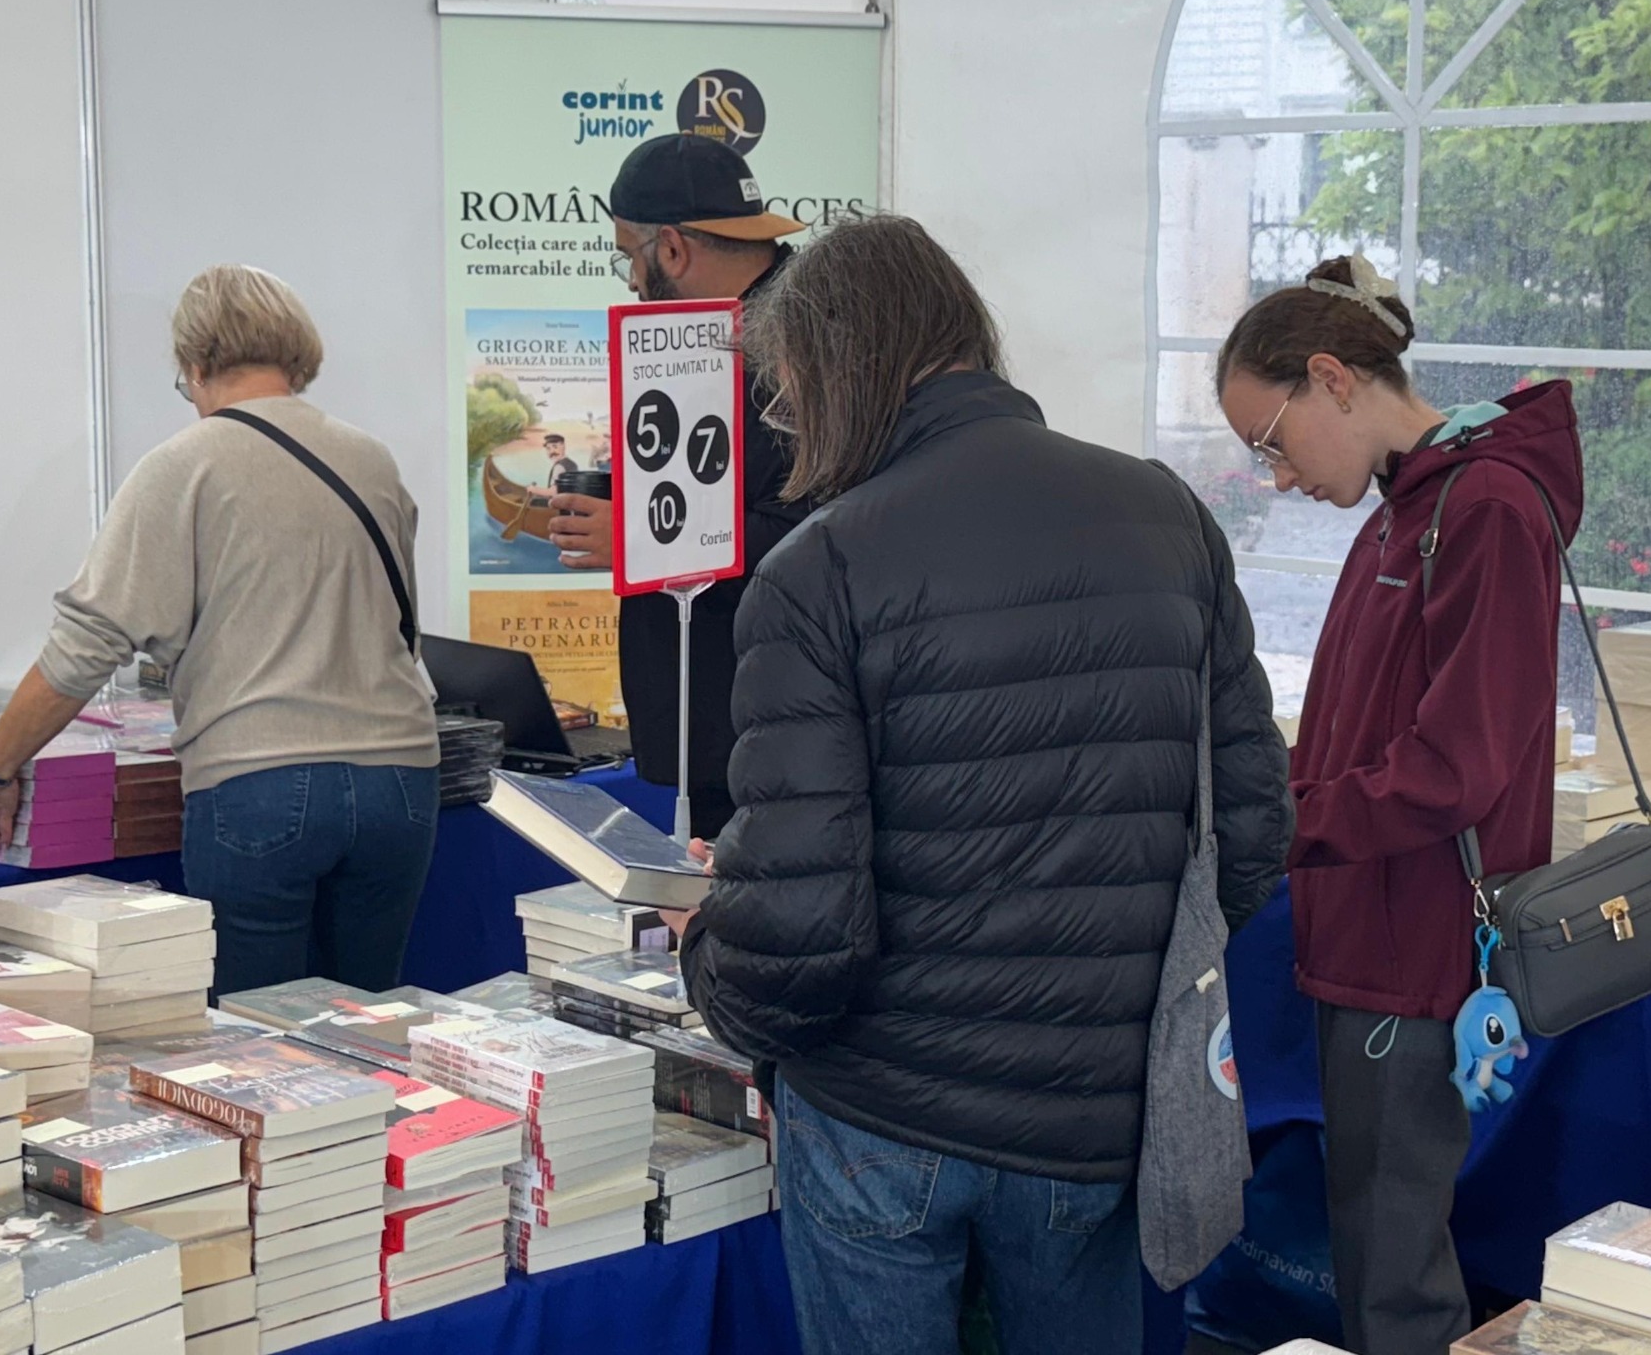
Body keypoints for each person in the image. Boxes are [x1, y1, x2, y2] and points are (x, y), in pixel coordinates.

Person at [675, 215, 1294, 1355]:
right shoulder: (1168, 517)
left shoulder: (820, 567)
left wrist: (706, 949)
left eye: (786, 397)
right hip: (1093, 1112)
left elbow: (799, 933)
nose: (787, 424)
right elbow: (1249, 839)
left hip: (880, 1110)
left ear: (834, 371)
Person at [1211, 255, 1578, 1355]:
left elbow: (1453, 767)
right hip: (1366, 933)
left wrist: (1279, 821)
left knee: (1393, 1267)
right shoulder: (1405, 509)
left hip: (1417, 948)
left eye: (1270, 442)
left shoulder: (1483, 508)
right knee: (1374, 1243)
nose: (1277, 477)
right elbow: (1362, 736)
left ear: (1331, 378)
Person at [0, 264, 441, 998]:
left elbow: (86, 645)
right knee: (367, 1025)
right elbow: (401, 626)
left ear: (195, 363)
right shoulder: (370, 458)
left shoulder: (181, 467)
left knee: (256, 1041)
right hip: (401, 784)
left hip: (260, 783)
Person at [545, 133, 809, 839]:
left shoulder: (801, 347)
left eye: (627, 256)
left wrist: (641, 539)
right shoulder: (727, 333)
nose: (630, 281)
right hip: (731, 723)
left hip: (767, 726)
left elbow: (816, 531)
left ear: (670, 248)